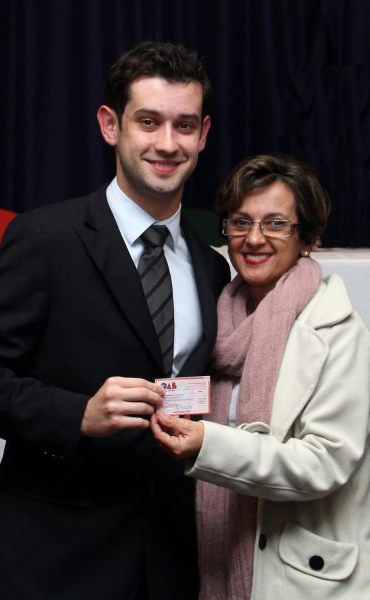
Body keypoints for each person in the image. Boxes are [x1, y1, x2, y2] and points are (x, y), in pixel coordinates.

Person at [0, 41, 230, 599]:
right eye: (148, 122)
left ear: (204, 134)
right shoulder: (45, 239)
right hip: (56, 558)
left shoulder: (211, 266)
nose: (168, 143)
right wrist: (78, 416)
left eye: (184, 125)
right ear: (111, 125)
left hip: (170, 560)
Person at [151, 154, 370, 600]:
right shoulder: (209, 322)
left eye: (276, 224)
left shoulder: (339, 333)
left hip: (301, 579)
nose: (253, 239)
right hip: (207, 561)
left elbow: (323, 463)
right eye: (240, 222)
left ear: (307, 238)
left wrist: (207, 445)